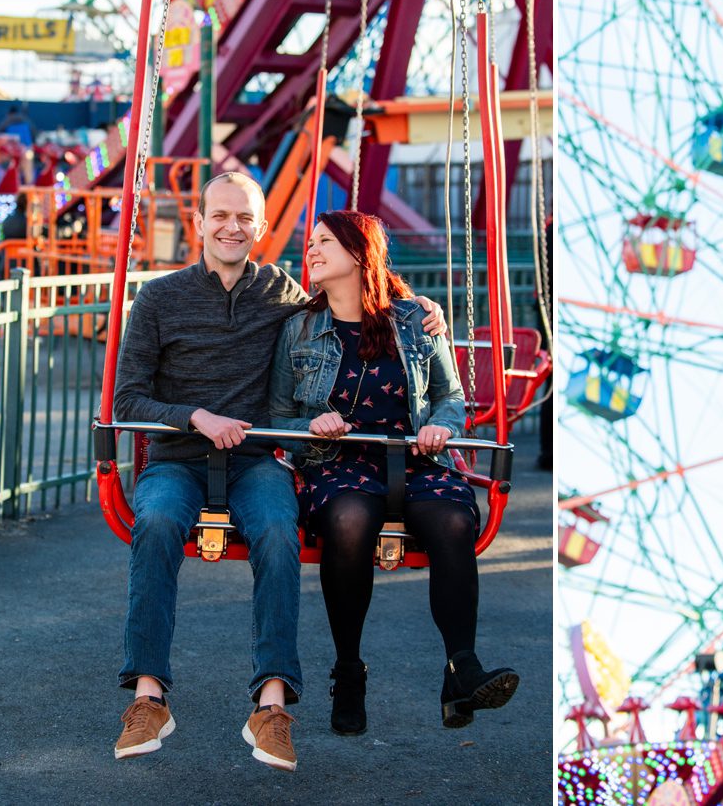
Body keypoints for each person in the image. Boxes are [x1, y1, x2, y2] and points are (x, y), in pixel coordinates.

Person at [109, 172, 445, 771]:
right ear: (200, 223)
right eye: (220, 216)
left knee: (276, 534)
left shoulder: (285, 295)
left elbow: (355, 296)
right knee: (156, 524)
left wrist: (417, 307)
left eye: (244, 218)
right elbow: (127, 400)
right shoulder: (160, 299)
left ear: (261, 228)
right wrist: (194, 416)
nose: (231, 227)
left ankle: (271, 705)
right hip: (179, 459)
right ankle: (148, 694)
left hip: (254, 460)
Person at [268, 211, 517, 737]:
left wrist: (442, 431)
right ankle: (349, 669)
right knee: (350, 519)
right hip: (338, 460)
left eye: (325, 243)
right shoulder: (300, 328)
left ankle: (462, 667)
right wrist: (311, 424)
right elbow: (276, 417)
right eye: (310, 243)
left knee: (453, 521)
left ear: (360, 255)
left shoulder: (415, 320)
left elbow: (451, 397)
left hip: (416, 456)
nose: (311, 251)